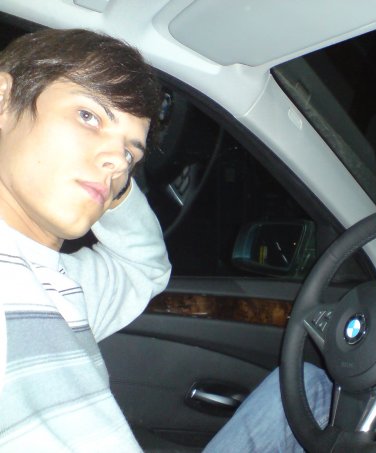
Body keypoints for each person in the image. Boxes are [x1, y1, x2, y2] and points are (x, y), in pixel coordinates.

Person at [0, 27, 332, 452]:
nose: (116, 163)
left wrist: (111, 189)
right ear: (5, 99)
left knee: (310, 388)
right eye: (89, 116)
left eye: (130, 154)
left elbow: (144, 269)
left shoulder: (64, 283)